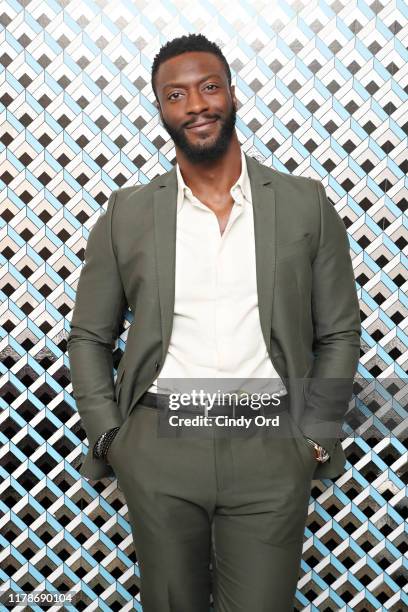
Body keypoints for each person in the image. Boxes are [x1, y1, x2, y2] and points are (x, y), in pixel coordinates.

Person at [67, 33, 361, 612]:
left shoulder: (305, 203)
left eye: (208, 87)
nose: (195, 104)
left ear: (232, 94)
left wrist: (316, 436)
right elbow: (89, 335)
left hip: (272, 443)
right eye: (175, 95)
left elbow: (339, 332)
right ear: (161, 110)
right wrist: (112, 437)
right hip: (160, 441)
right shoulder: (127, 213)